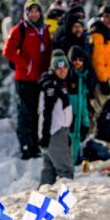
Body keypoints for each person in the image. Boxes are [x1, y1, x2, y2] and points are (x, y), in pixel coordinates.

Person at [3, 0, 52, 159]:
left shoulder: (44, 30)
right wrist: (25, 64)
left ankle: (34, 145)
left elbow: (48, 52)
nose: (34, 14)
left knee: (37, 113)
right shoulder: (21, 29)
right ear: (27, 13)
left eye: (37, 11)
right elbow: (8, 51)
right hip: (24, 79)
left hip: (40, 78)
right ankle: (26, 146)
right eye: (31, 11)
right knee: (25, 113)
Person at [38, 50, 73, 186]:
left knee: (49, 172)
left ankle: (42, 197)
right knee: (66, 171)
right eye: (58, 68)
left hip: (58, 132)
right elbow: (46, 113)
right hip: (55, 132)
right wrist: (45, 135)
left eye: (65, 67)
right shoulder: (51, 86)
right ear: (53, 69)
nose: (62, 71)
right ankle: (66, 198)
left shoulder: (59, 83)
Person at [89, 5, 110, 121]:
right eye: (107, 16)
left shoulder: (106, 32)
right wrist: (103, 81)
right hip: (101, 80)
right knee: (100, 112)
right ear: (101, 17)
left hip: (109, 78)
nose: (109, 20)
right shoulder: (97, 32)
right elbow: (97, 59)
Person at [66, 46, 94, 164]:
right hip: (69, 111)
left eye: (80, 59)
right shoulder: (68, 74)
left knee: (78, 135)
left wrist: (85, 122)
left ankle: (75, 158)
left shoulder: (85, 76)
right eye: (75, 59)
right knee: (69, 136)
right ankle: (69, 161)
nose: (77, 62)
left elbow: (85, 102)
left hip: (80, 110)